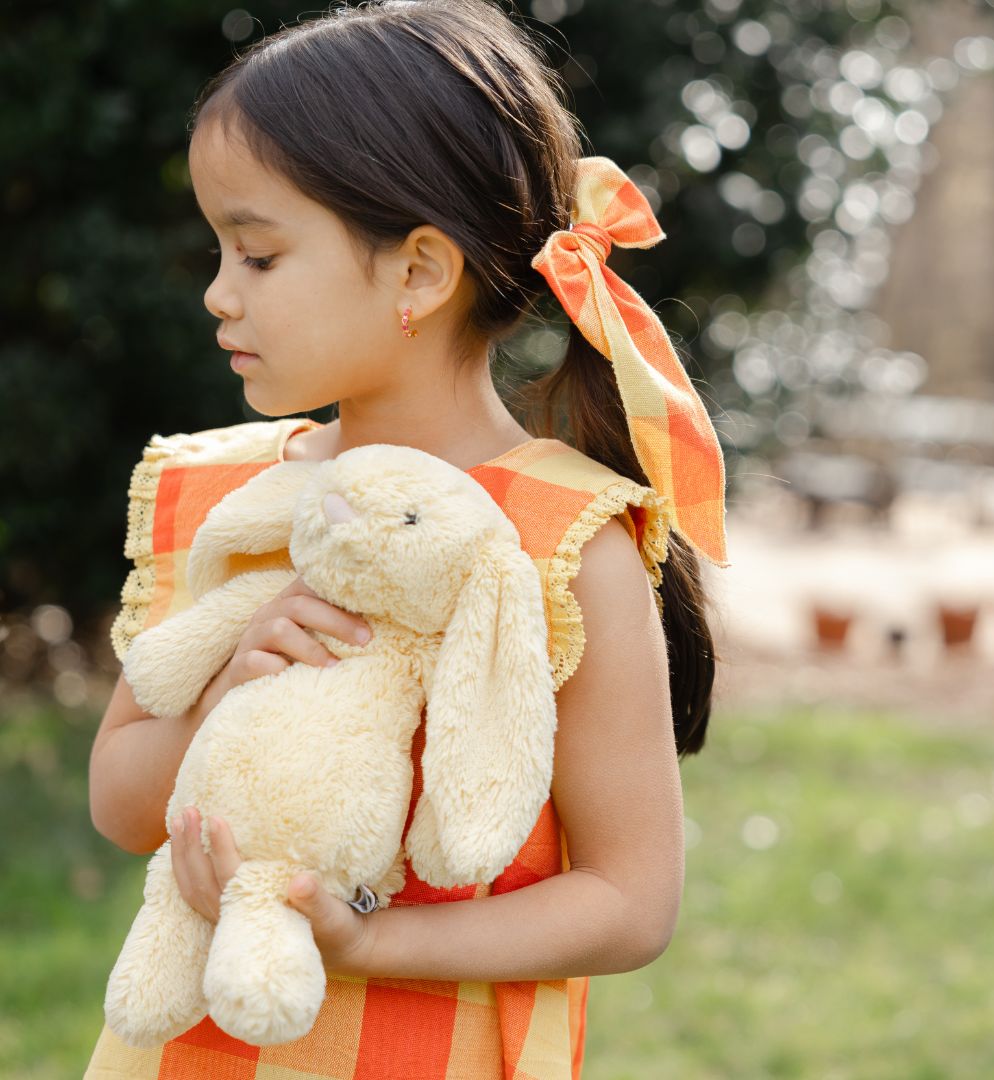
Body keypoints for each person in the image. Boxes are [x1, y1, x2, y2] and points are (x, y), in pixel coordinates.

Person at [84, 1, 730, 1076]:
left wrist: (372, 942)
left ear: (421, 273)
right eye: (219, 251)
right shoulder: (219, 499)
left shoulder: (564, 541)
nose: (216, 292)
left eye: (257, 254)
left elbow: (630, 898)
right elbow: (118, 799)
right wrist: (217, 690)